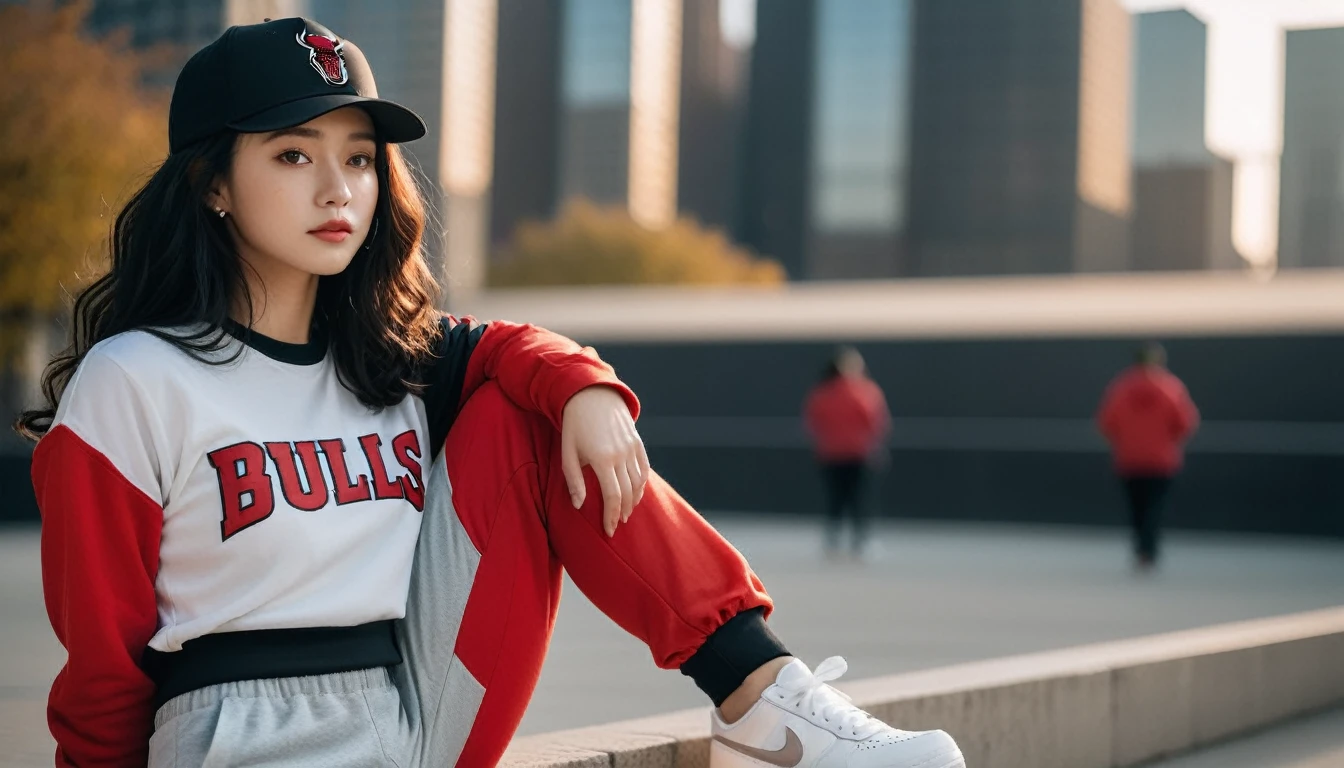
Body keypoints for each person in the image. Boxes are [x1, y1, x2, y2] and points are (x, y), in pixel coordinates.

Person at [16, 18, 964, 768]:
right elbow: (102, 670)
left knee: (526, 407)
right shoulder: (135, 381)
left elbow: (515, 349)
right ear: (214, 182)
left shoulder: (391, 359)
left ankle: (764, 699)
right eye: (294, 155)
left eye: (357, 158)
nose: (338, 190)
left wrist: (587, 386)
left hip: (421, 706)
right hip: (239, 732)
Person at [1096, 342, 1200, 572]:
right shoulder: (1170, 387)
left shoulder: (1121, 387)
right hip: (1161, 460)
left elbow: (1106, 421)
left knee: (1136, 508)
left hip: (1129, 458)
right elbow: (1186, 422)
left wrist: (1124, 440)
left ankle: (1141, 550)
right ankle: (1148, 550)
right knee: (1154, 507)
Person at [804, 346, 892, 559]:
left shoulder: (822, 393)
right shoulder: (863, 391)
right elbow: (876, 422)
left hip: (832, 455)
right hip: (856, 455)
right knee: (857, 499)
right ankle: (858, 543)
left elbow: (812, 422)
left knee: (837, 499)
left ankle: (834, 541)